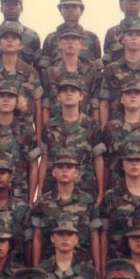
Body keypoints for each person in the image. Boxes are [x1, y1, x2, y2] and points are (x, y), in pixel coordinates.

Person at [32, 147, 101, 270]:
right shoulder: (42, 202)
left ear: (76, 173)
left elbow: (94, 237)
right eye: (60, 167)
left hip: (82, 267)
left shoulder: (88, 201)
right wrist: (36, 267)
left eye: (69, 167)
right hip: (50, 267)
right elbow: (37, 238)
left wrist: (98, 268)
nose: (64, 170)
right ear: (53, 172)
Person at [39, 73, 105, 201]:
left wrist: (101, 191)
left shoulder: (92, 126)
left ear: (81, 96)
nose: (68, 94)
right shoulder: (48, 127)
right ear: (58, 97)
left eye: (73, 91)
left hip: (84, 190)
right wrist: (40, 189)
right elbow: (45, 159)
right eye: (64, 91)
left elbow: (98, 160)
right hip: (54, 191)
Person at [0, 76, 41, 201]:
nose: (6, 100)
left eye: (10, 96)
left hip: (18, 198)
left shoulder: (26, 132)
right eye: (1, 96)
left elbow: (33, 166)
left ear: (17, 100)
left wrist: (32, 199)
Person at [98, 17, 140, 129]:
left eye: (138, 34)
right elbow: (104, 104)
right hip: (117, 132)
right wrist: (104, 131)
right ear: (123, 40)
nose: (134, 38)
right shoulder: (111, 70)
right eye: (129, 34)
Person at [101, 82, 140, 194]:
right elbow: (106, 164)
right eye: (128, 93)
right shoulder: (110, 128)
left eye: (137, 93)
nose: (133, 96)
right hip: (117, 194)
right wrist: (103, 191)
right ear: (121, 99)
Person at [0, 20, 43, 135]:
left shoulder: (30, 72)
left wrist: (39, 139)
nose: (9, 40)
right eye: (5, 37)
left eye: (14, 38)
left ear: (21, 45)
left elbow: (38, 106)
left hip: (23, 136)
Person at [41, 23, 101, 125]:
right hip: (56, 130)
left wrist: (94, 131)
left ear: (80, 43)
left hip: (83, 130)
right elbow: (46, 106)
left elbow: (95, 106)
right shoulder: (49, 73)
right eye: (66, 39)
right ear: (59, 43)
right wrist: (46, 131)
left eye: (74, 39)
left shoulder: (91, 73)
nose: (70, 42)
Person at [38, 0, 102, 71]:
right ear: (61, 11)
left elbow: (98, 69)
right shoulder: (51, 39)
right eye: (67, 7)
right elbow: (44, 70)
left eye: (74, 7)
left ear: (81, 11)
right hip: (57, 82)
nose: (70, 10)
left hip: (86, 82)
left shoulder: (92, 38)